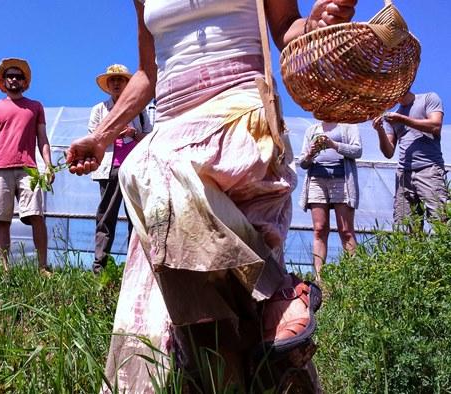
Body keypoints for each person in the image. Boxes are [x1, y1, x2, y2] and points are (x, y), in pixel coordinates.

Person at [66, 0, 357, 391]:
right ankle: (276, 300)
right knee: (173, 291)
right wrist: (102, 137)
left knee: (142, 166)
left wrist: (314, 25)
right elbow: (147, 72)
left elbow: (286, 26)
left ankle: (270, 293)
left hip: (238, 113)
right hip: (171, 129)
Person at [0, 58, 54, 276]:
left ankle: (42, 267)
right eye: (10, 76)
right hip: (0, 168)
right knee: (2, 219)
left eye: (18, 76)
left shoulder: (35, 106)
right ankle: (5, 269)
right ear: (3, 81)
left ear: (25, 82)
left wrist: (48, 166)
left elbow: (42, 138)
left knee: (37, 215)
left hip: (28, 169)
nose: (14, 79)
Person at [89, 64, 152, 274]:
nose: (116, 83)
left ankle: (137, 268)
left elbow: (149, 140)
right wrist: (113, 133)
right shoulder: (99, 109)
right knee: (106, 217)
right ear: (108, 85)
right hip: (110, 169)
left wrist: (133, 134)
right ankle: (100, 268)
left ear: (127, 84)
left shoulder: (139, 110)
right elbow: (93, 137)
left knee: (137, 219)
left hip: (134, 170)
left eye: (120, 80)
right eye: (112, 80)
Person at [373, 91, 447, 230]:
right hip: (404, 173)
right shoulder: (392, 117)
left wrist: (403, 119)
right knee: (405, 225)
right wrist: (380, 130)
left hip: (429, 168)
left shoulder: (428, 98)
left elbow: (435, 126)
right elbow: (388, 152)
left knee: (440, 218)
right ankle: (413, 251)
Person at [298, 122, 361, 283]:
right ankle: (319, 278)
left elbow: (357, 151)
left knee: (346, 230)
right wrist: (310, 154)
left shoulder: (348, 127)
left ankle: (355, 276)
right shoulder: (312, 130)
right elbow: (303, 162)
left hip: (342, 179)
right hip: (317, 180)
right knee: (319, 229)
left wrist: (333, 144)